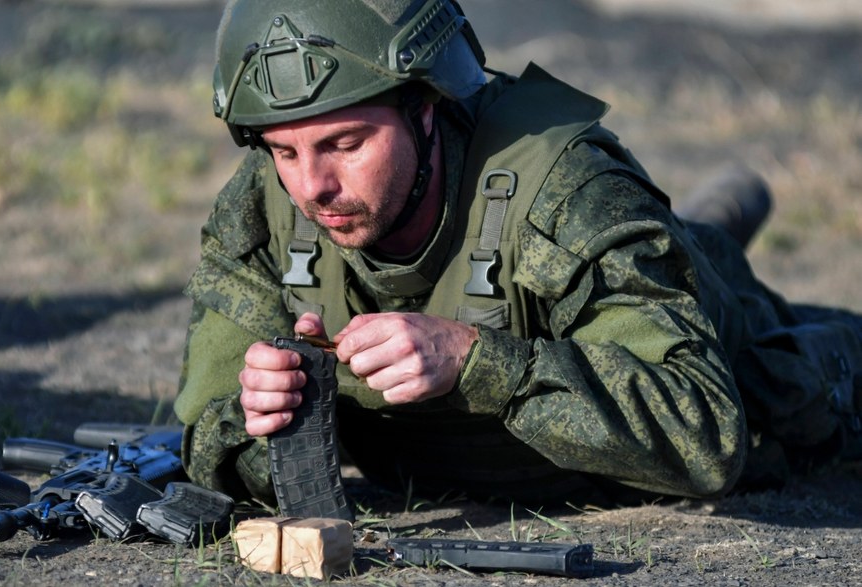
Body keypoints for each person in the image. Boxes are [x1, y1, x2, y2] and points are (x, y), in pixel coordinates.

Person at [174, 0, 862, 507]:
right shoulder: (264, 206)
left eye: (346, 144)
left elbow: (702, 431)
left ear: (424, 107)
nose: (312, 186)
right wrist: (261, 411)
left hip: (720, 325)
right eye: (283, 150)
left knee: (783, 370)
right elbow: (203, 437)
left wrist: (477, 361)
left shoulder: (564, 190)